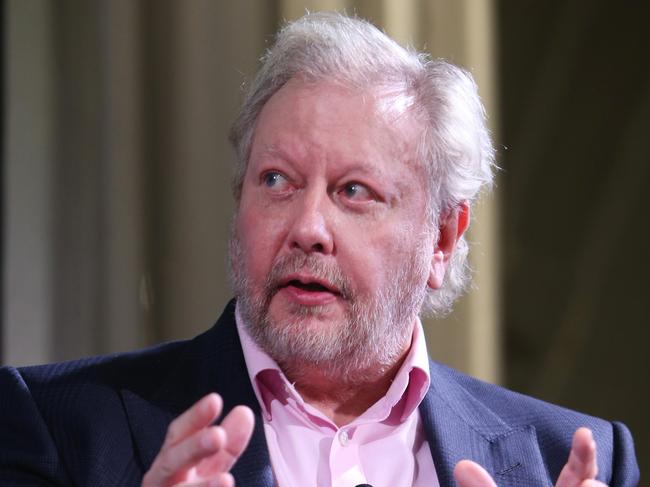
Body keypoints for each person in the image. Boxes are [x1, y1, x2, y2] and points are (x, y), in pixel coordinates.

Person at [0, 12, 639, 487]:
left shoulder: (569, 459)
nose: (308, 226)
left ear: (442, 238)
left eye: (353, 191)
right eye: (276, 180)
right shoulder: (57, 425)